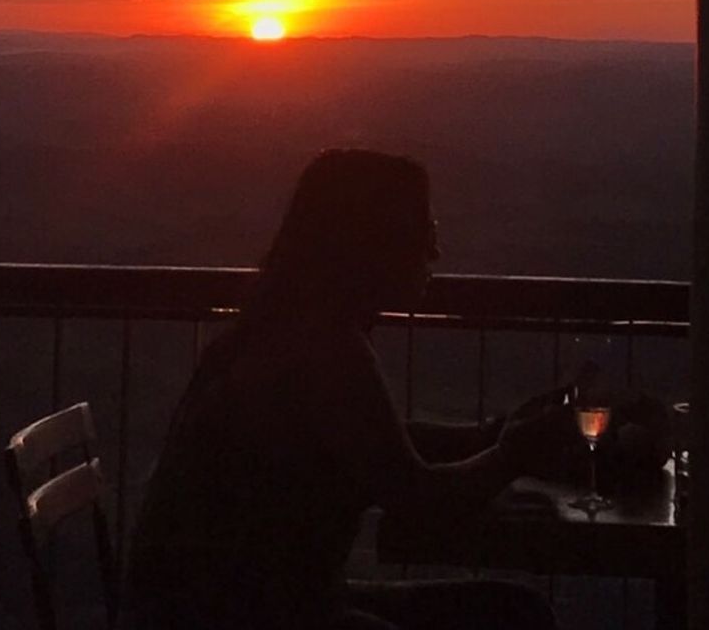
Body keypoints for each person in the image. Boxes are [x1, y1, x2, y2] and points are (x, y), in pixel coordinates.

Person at [123, 149, 569, 629]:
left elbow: (379, 444)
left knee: (514, 612)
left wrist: (488, 437)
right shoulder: (324, 349)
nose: (434, 252)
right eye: (425, 231)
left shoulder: (283, 328)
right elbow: (415, 497)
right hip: (247, 614)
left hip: (214, 604)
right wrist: (509, 456)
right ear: (374, 243)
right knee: (513, 616)